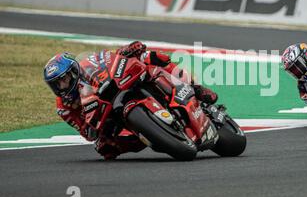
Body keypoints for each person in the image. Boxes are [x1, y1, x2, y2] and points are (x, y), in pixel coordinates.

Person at [43, 41, 218, 160]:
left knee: (149, 58)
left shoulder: (89, 65)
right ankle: (156, 135)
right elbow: (88, 134)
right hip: (111, 118)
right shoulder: (64, 108)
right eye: (56, 85)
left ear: (74, 72)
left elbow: (111, 58)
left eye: (63, 80)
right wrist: (95, 123)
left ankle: (196, 88)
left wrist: (127, 51)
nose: (61, 87)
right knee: (104, 148)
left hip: (125, 84)